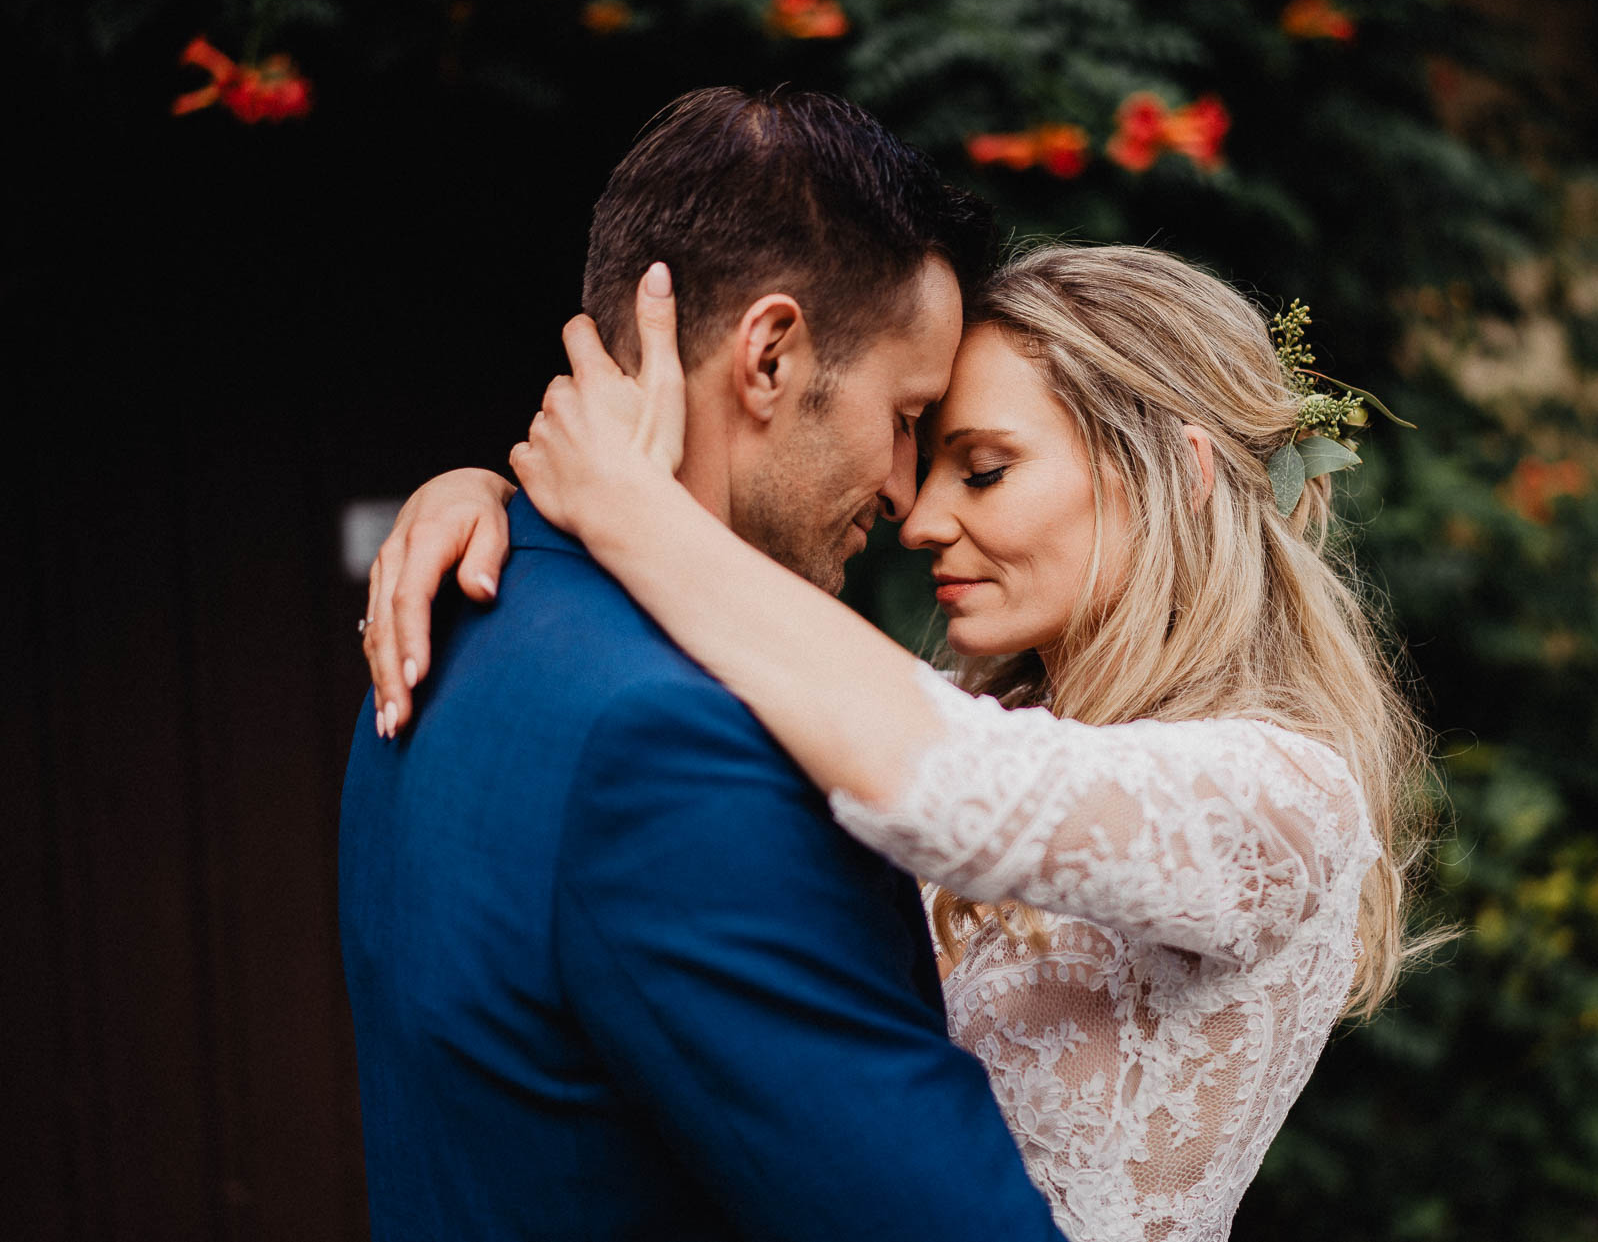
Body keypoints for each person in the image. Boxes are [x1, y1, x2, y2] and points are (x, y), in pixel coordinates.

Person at [366, 241, 1439, 1242]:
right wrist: (490, 501)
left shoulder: (1289, 794)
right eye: (926, 462)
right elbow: (797, 682)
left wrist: (633, 513)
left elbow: (942, 780)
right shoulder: (965, 713)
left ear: (1181, 476)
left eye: (982, 470)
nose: (918, 518)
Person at [338, 86, 1069, 1242]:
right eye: (905, 415)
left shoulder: (452, 614)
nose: (901, 489)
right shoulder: (678, 750)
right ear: (770, 355)